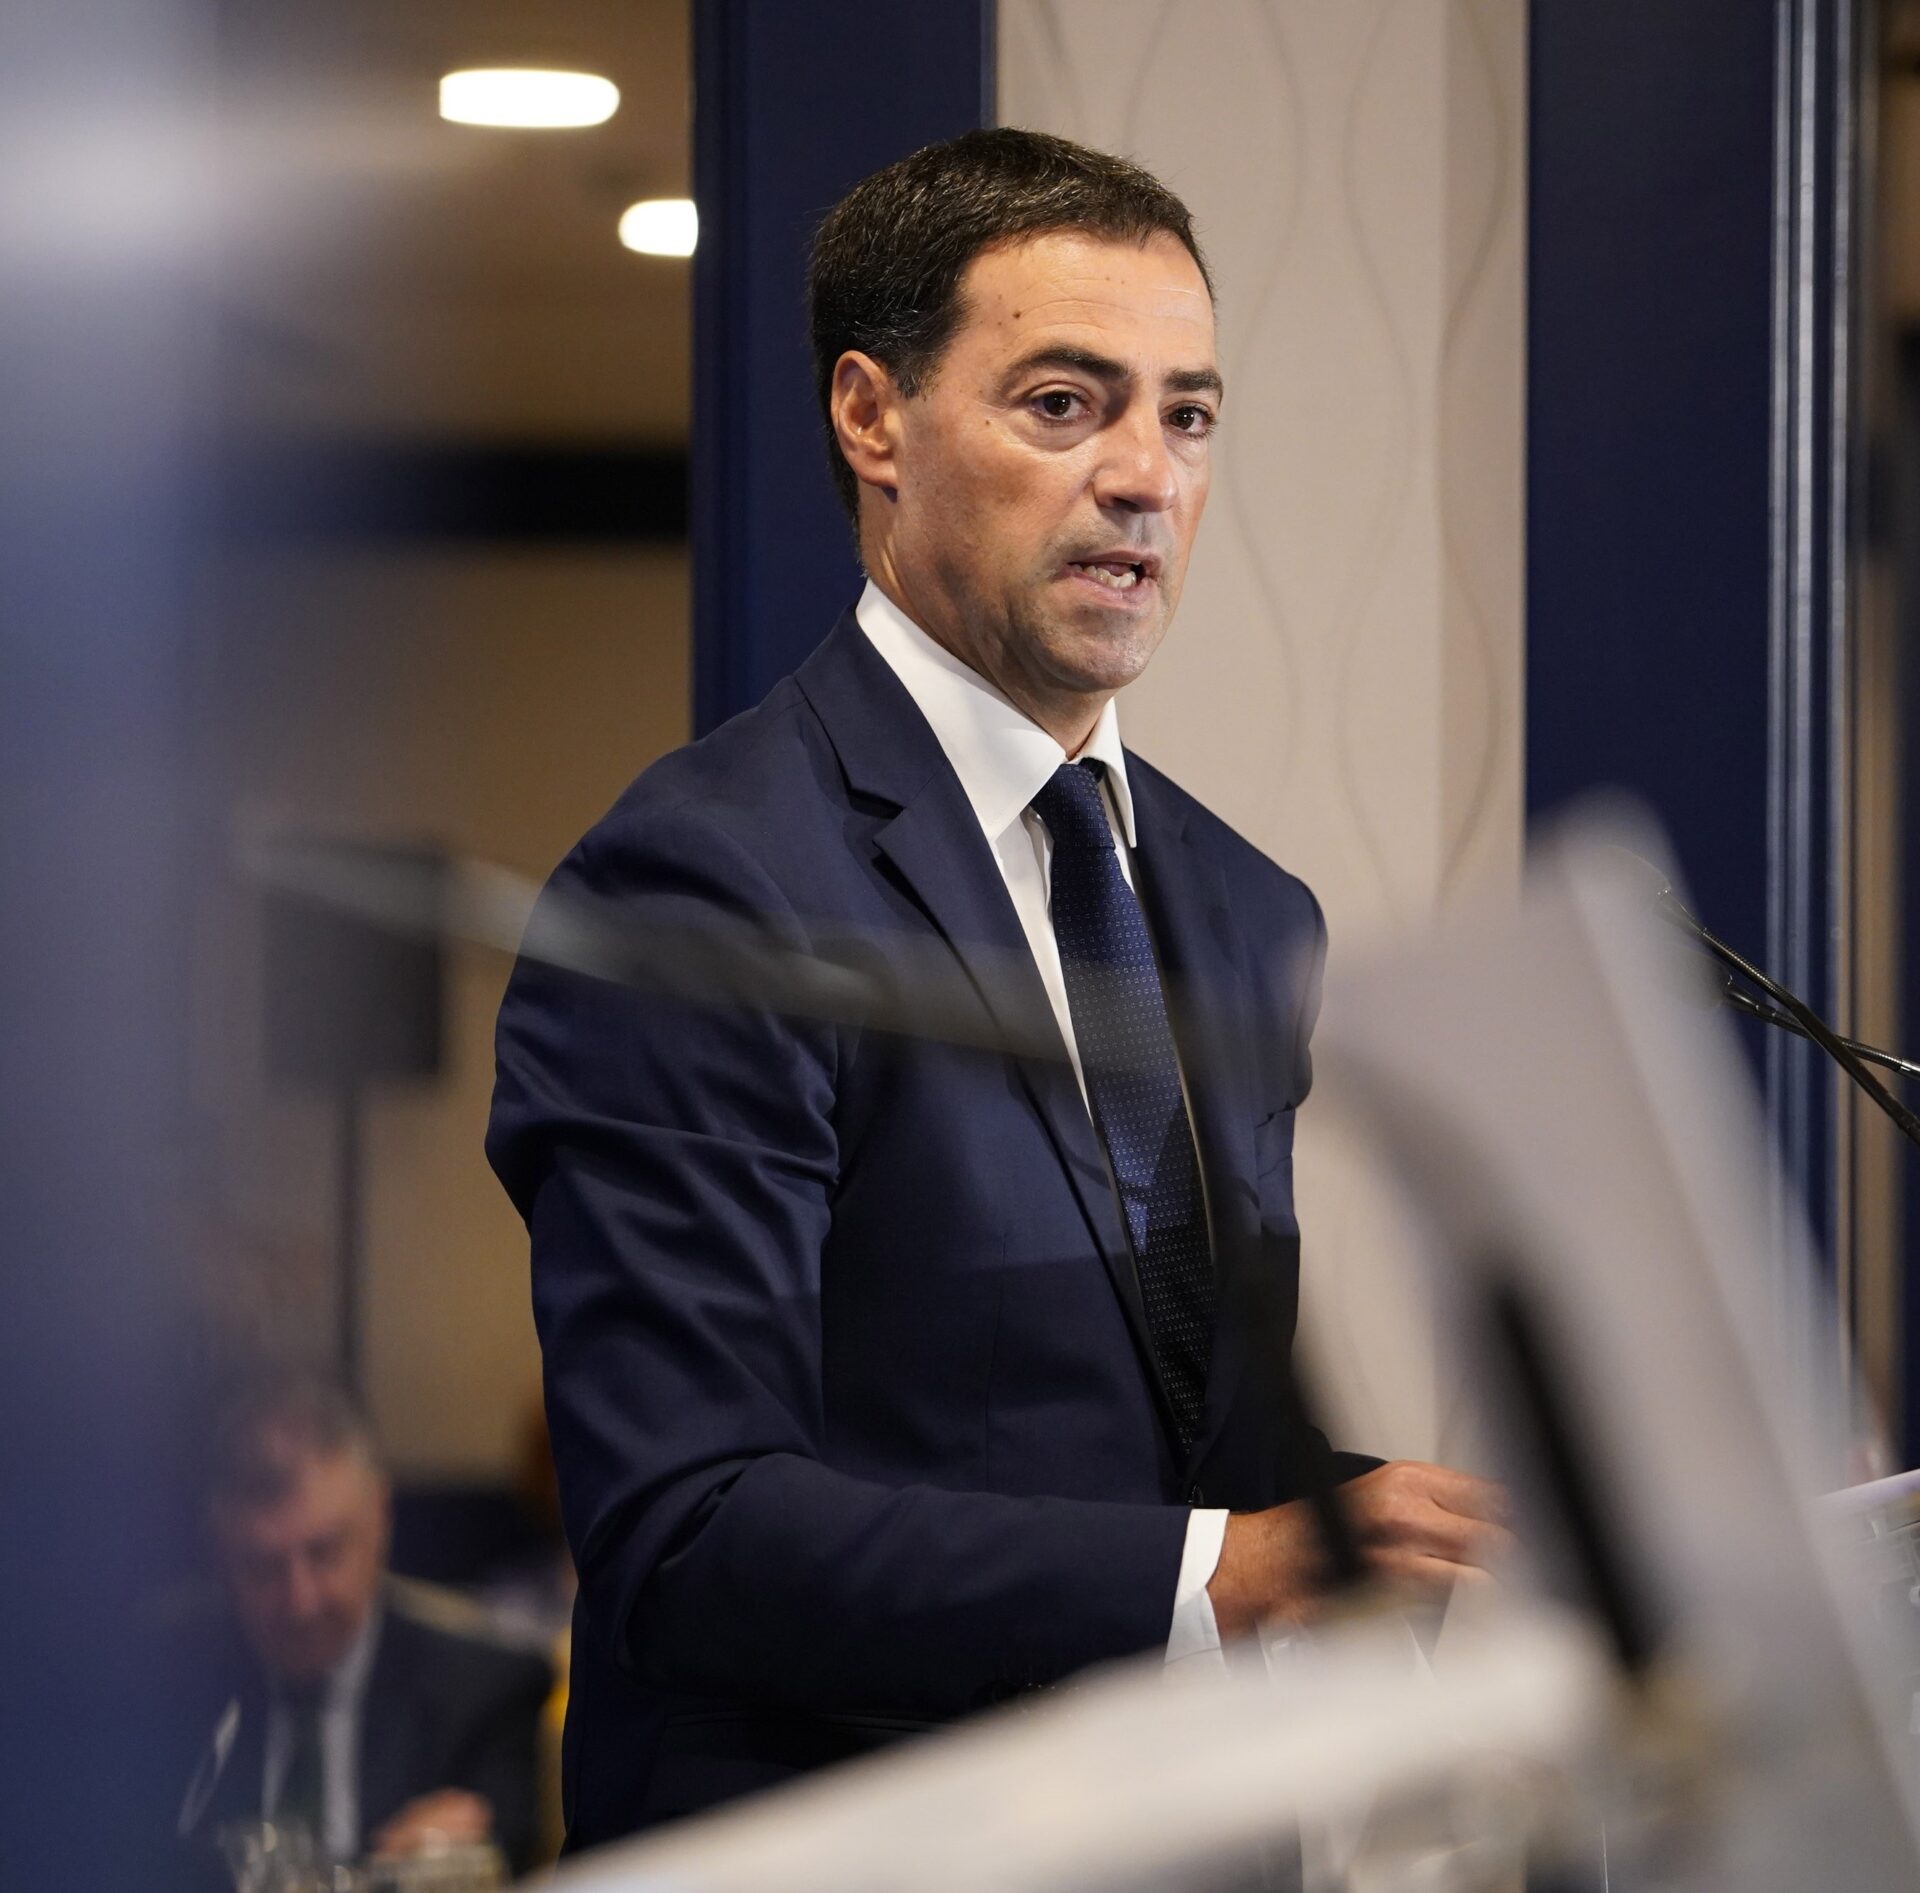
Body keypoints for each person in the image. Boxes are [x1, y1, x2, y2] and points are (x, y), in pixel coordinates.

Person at [487, 127, 1507, 1852]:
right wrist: (1224, 1572)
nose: (1145, 477)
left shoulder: (1244, 908)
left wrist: (1422, 1533)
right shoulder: (704, 886)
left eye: (1188, 415)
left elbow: (1171, 1451)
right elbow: (690, 1530)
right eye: (1064, 404)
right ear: (872, 419)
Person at [175, 1375, 553, 1875]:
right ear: (221, 1556)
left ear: (380, 1519)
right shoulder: (161, 1687)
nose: (301, 1601)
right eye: (262, 1568)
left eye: (325, 1553)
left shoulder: (483, 1692)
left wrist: (454, 1855)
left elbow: (508, 1844)